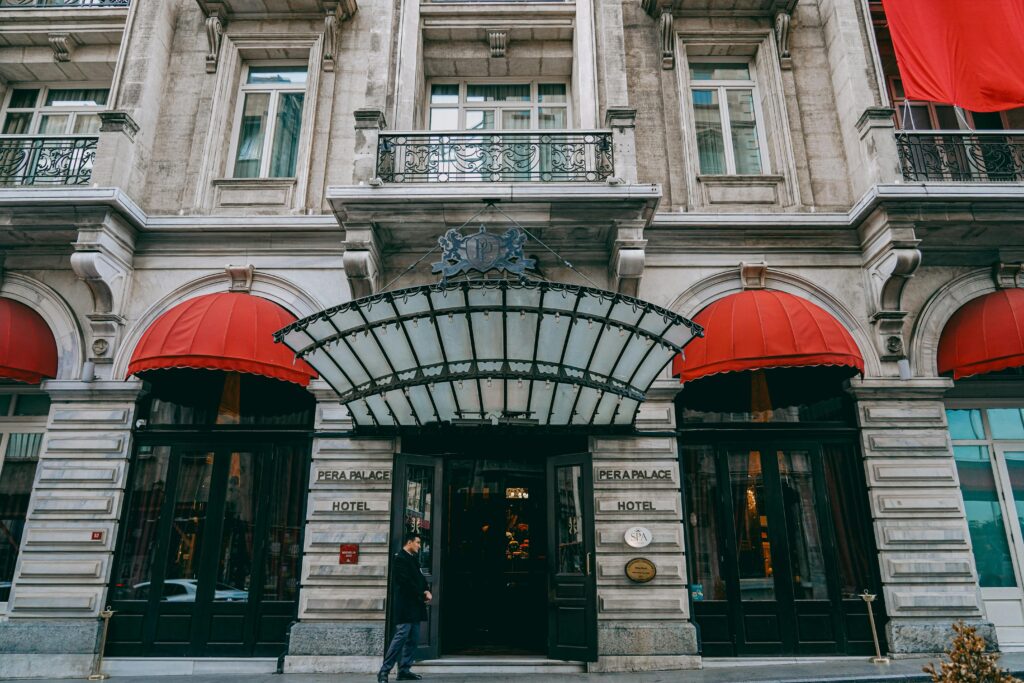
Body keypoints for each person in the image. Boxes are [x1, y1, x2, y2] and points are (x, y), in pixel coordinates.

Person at [378, 531, 432, 682]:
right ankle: (384, 671)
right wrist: (422, 594)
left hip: (415, 606)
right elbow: (405, 582)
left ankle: (404, 670)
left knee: (413, 639)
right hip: (405, 606)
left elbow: (420, 578)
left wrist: (426, 589)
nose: (419, 546)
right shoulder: (400, 559)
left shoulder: (413, 559)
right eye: (418, 543)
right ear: (409, 542)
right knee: (401, 637)